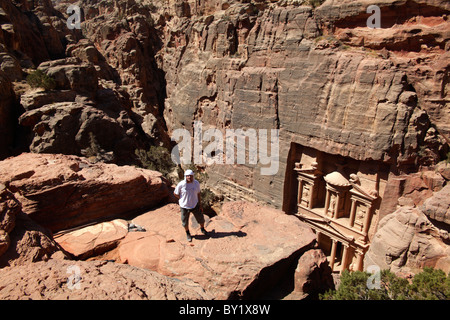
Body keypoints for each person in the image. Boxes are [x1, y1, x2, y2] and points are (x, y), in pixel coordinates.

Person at [173, 169, 208, 242]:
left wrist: (200, 204)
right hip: (184, 207)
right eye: (187, 176)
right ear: (185, 176)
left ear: (193, 176)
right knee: (185, 222)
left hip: (195, 205)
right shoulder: (181, 184)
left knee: (201, 219)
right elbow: (175, 193)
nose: (189, 177)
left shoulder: (196, 183)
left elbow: (198, 193)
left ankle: (202, 228)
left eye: (191, 176)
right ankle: (188, 233)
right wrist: (181, 199)